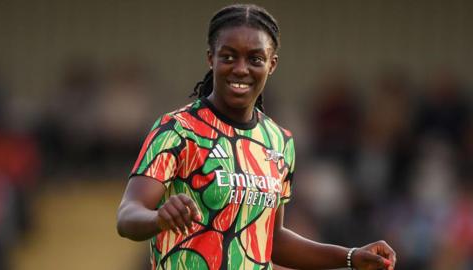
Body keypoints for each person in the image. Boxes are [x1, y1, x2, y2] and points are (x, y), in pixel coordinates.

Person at [117, 4, 397, 270]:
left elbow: (272, 240)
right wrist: (158, 218)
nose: (241, 69)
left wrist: (350, 256)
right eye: (228, 56)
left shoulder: (279, 140)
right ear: (210, 58)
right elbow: (128, 215)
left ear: (272, 64)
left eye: (255, 59)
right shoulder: (177, 130)